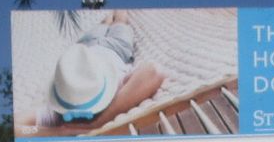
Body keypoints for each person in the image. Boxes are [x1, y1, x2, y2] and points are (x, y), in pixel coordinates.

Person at [19, 14, 166, 135]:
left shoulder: (59, 113)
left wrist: (98, 122)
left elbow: (154, 71)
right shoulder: (114, 92)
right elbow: (153, 72)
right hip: (116, 47)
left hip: (85, 48)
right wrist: (60, 132)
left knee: (109, 21)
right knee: (118, 21)